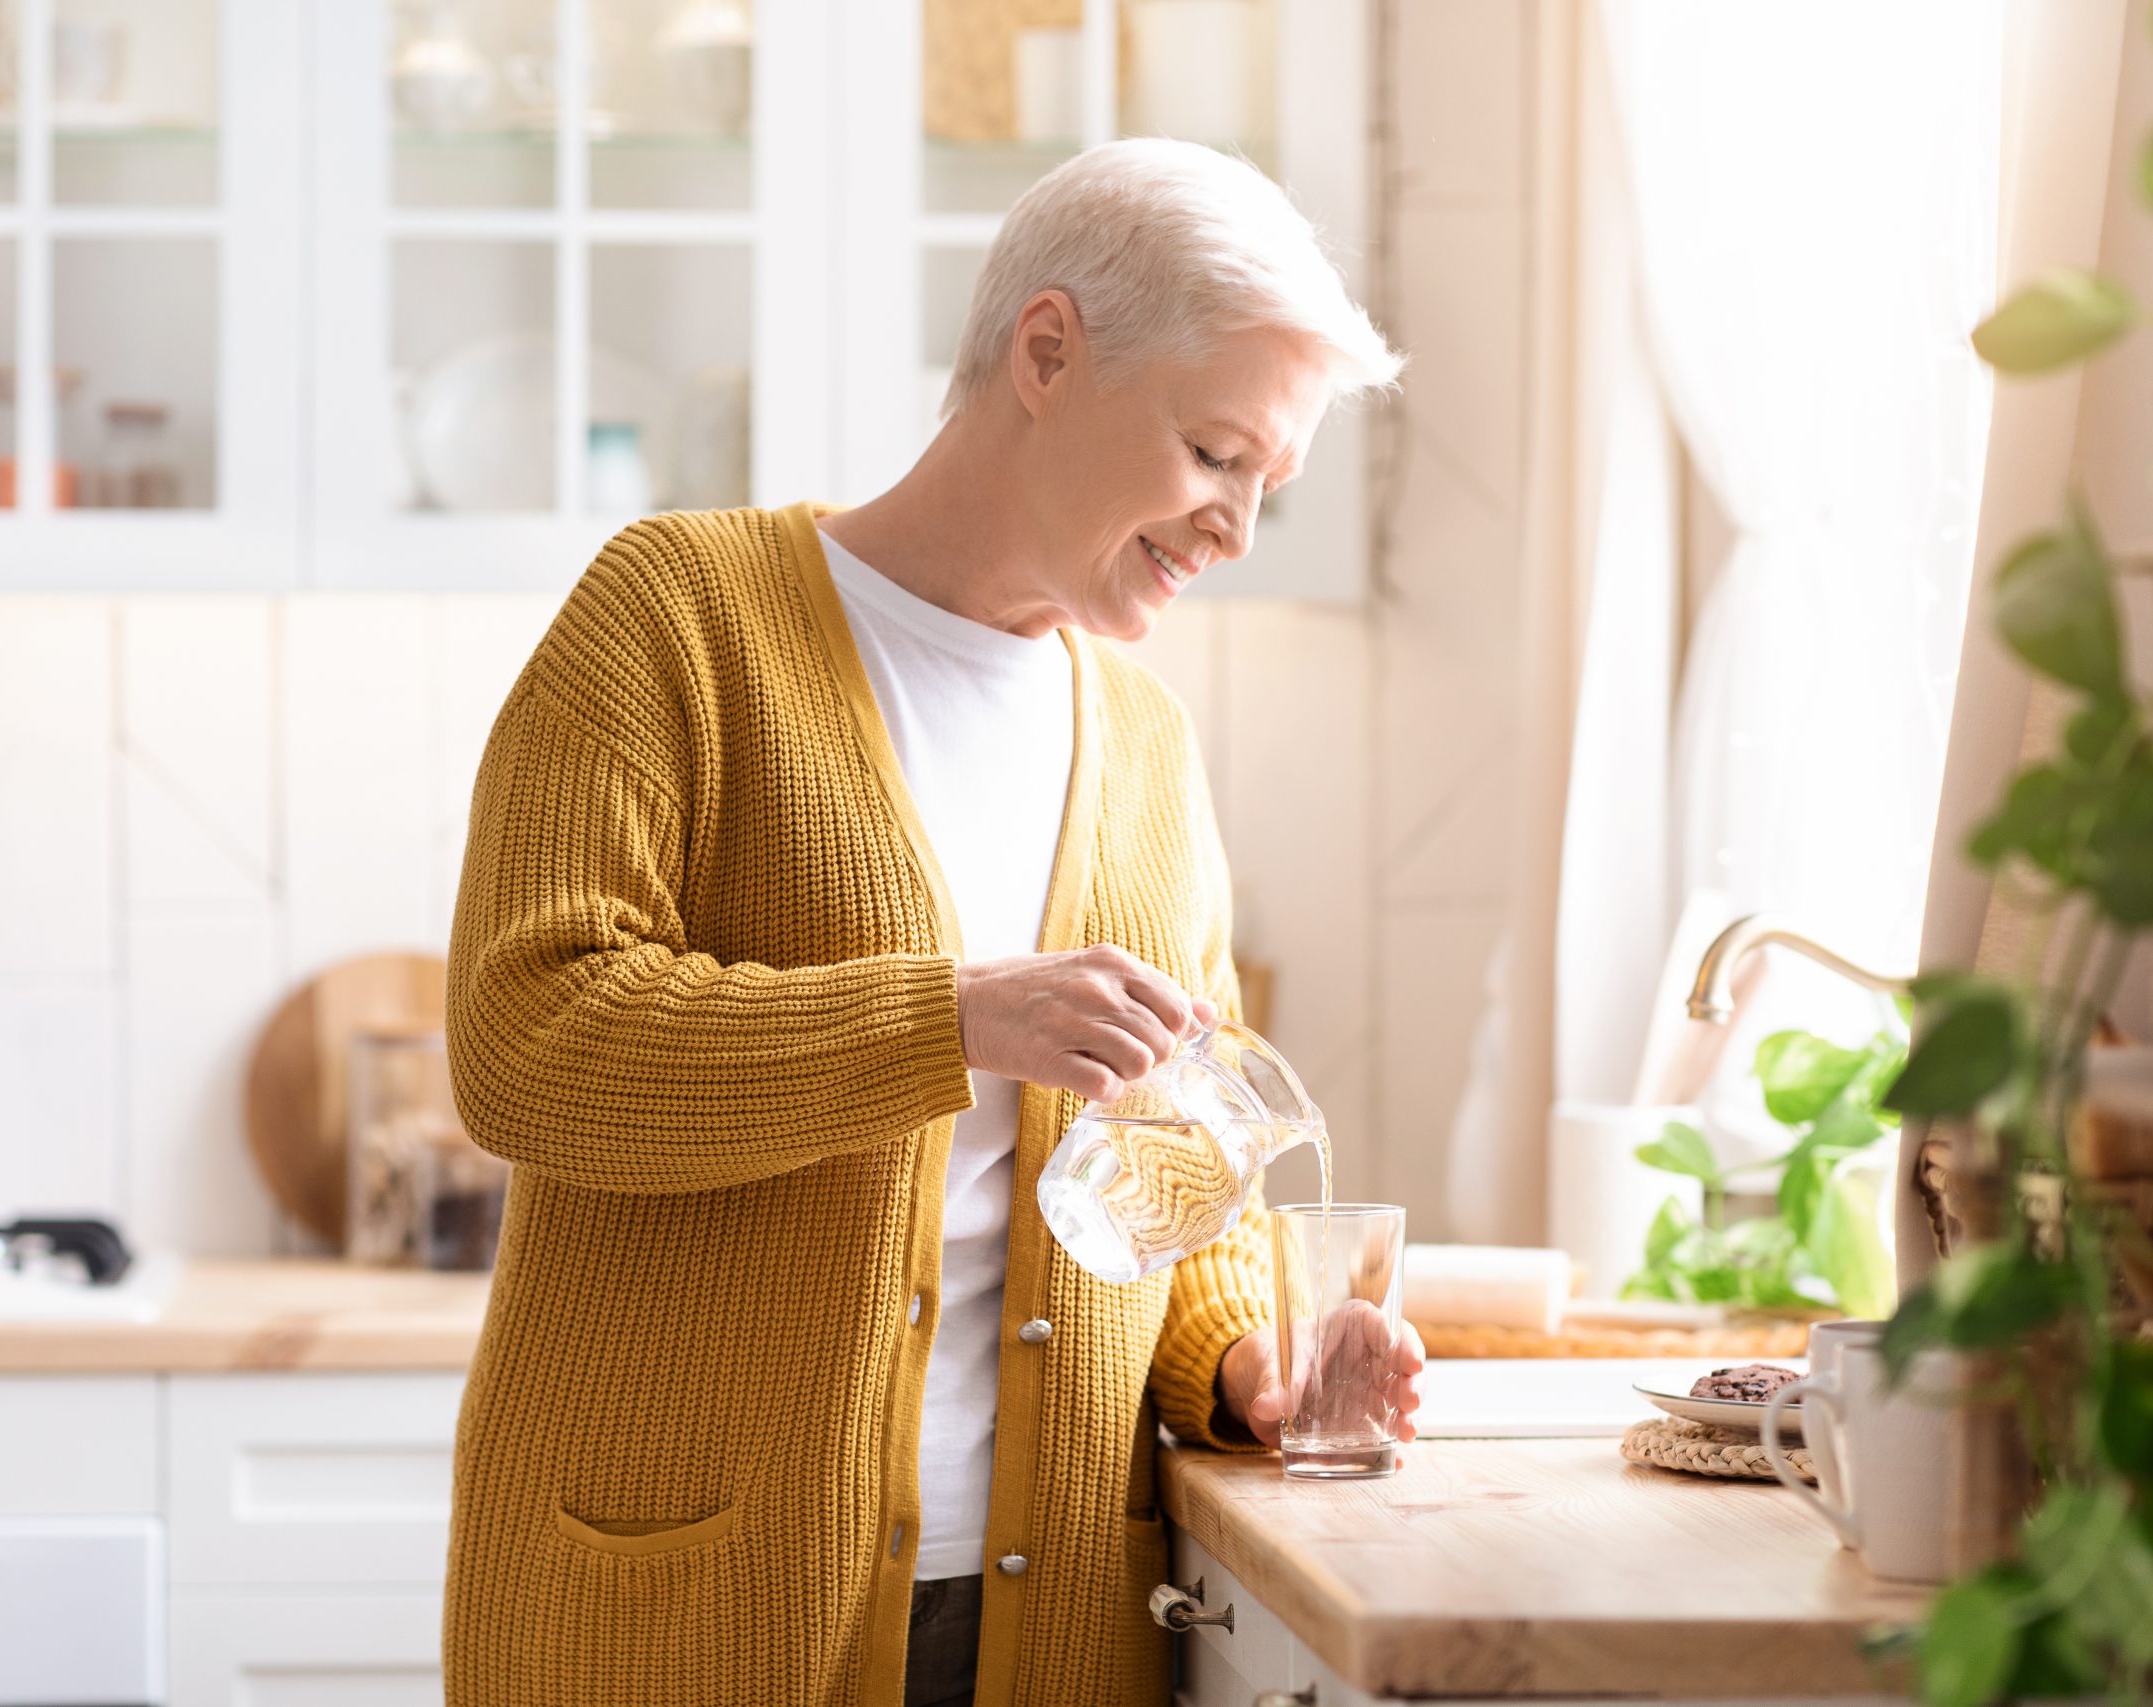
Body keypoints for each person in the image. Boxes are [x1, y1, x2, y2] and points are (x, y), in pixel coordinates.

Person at [441, 137, 1420, 1707]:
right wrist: (947, 1018)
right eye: (1214, 453)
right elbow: (529, 1042)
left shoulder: (1150, 748)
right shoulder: (679, 615)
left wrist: (1255, 1363)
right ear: (1047, 352)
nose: (1236, 525)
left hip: (1053, 1608)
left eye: (1267, 486)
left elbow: (1190, 1163)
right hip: (690, 1604)